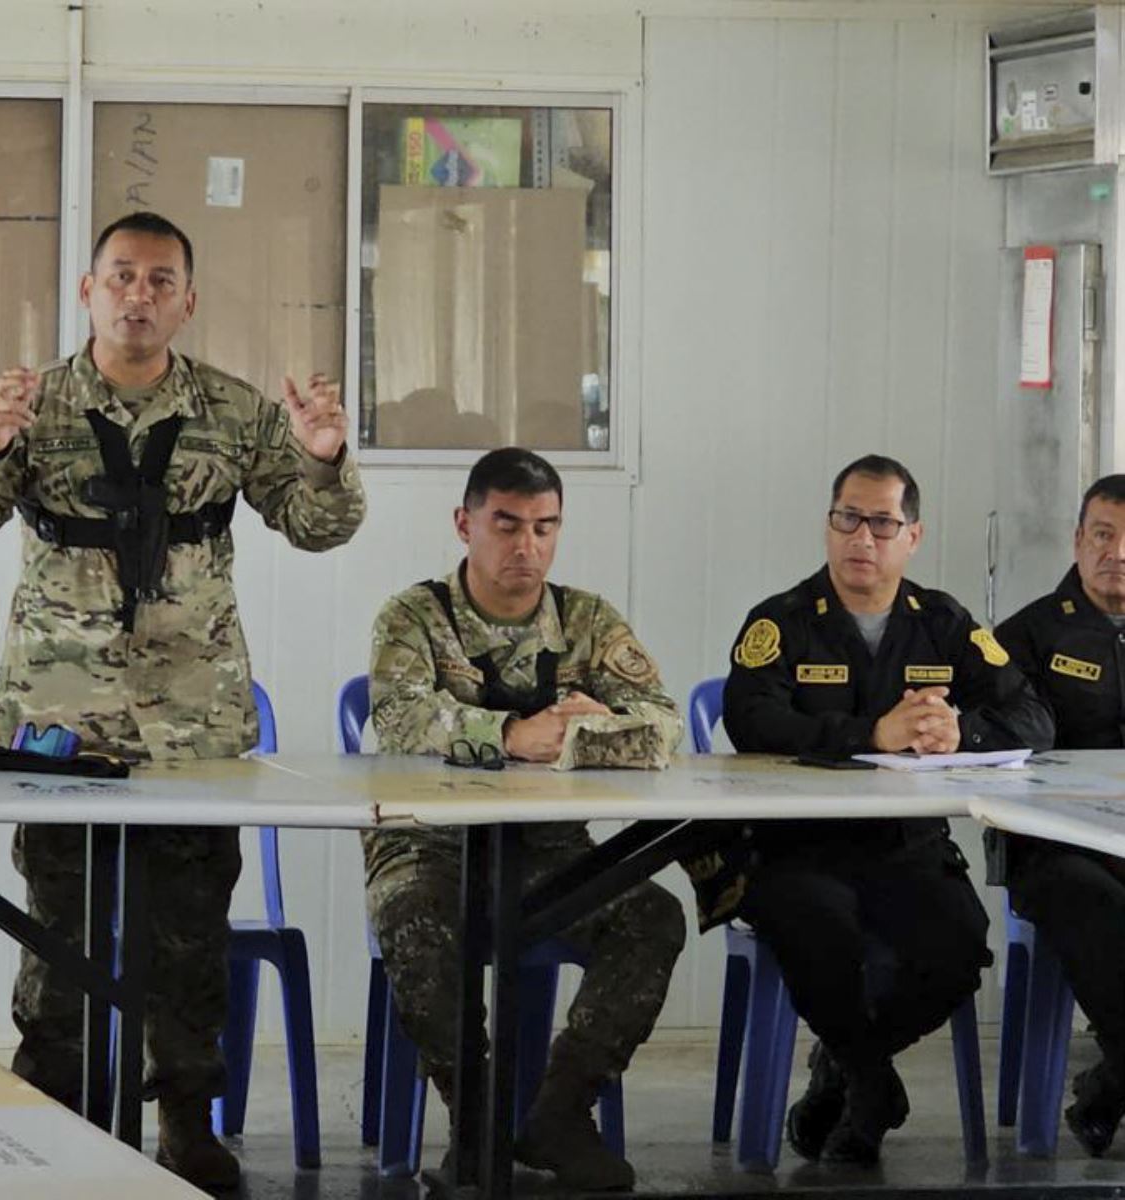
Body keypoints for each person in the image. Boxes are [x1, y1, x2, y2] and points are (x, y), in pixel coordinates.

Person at [0, 211, 365, 1188]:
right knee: (60, 930)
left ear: (188, 302)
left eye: (161, 280)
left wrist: (325, 454)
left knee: (188, 927)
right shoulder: (31, 404)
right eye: (121, 275)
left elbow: (316, 526)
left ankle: (187, 1123)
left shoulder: (238, 412)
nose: (140, 295)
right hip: (61, 715)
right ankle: (49, 1119)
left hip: (191, 722)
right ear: (86, 292)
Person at [362, 447, 684, 1191]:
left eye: (545, 527)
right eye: (506, 525)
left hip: (550, 849)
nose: (526, 546)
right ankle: (473, 1123)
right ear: (464, 524)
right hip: (427, 844)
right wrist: (506, 736)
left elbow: (662, 723)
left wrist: (588, 725)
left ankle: (559, 1113)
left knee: (652, 917)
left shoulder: (587, 619)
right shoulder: (413, 616)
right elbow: (402, 716)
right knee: (414, 922)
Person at [722, 453, 1052, 1164]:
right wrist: (867, 735)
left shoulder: (941, 623)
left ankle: (844, 1065)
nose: (861, 539)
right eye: (848, 518)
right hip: (802, 846)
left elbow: (1032, 717)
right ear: (829, 524)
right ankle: (872, 1087)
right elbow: (750, 720)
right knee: (821, 931)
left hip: (908, 844)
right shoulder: (781, 621)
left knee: (958, 949)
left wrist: (965, 731)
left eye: (881, 523)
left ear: (913, 536)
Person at [995, 472, 1125, 1155]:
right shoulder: (1028, 635)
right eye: (1104, 535)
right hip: (1053, 847)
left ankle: (1111, 1085)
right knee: (1095, 901)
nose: (1119, 552)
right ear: (1078, 541)